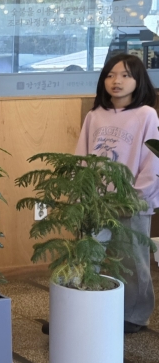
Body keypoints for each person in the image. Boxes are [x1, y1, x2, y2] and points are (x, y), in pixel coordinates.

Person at [76, 52, 159, 334]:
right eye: (110, 75)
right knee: (87, 254)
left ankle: (135, 315)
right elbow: (82, 156)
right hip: (96, 201)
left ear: (138, 80)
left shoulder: (146, 115)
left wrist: (137, 196)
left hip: (131, 202)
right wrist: (81, 192)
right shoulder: (94, 115)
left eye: (125, 75)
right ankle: (80, 309)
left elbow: (152, 161)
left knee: (133, 259)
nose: (116, 81)